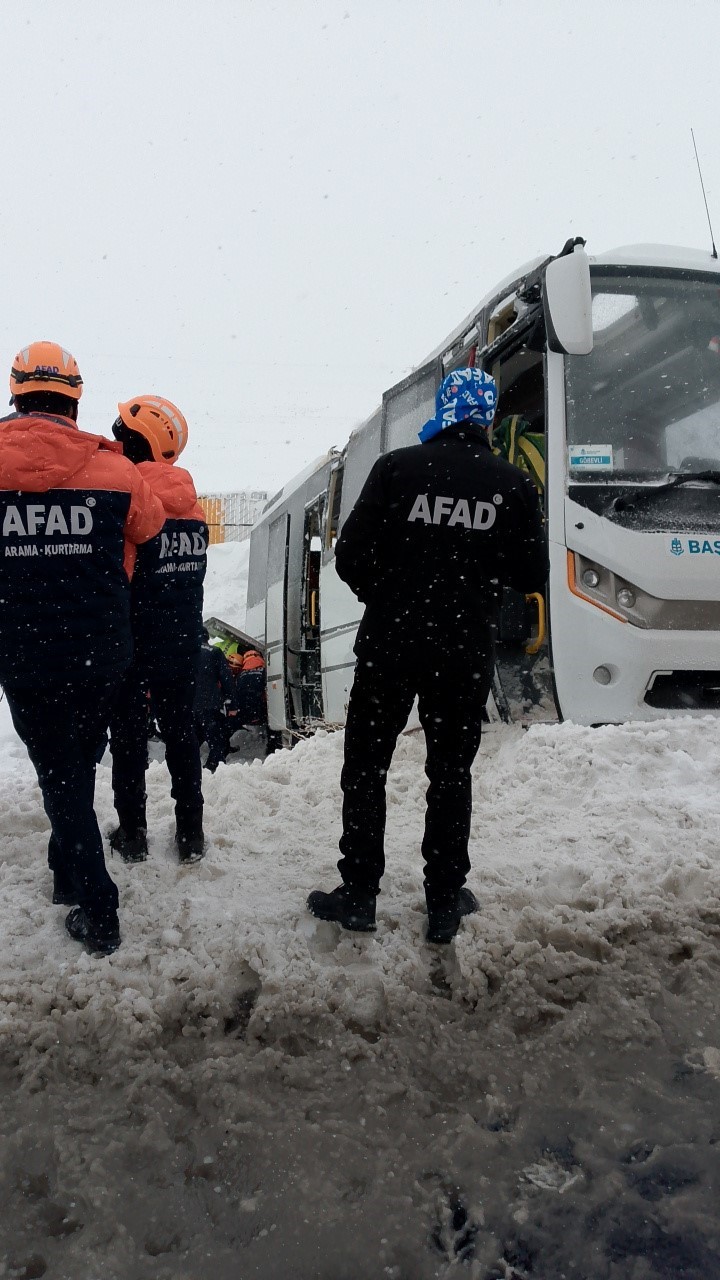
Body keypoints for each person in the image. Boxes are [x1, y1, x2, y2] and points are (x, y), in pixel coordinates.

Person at [307, 367, 550, 944]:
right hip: (461, 652)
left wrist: (390, 596)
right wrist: (477, 579)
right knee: (450, 772)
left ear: (444, 409)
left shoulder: (397, 468)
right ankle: (443, 898)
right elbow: (532, 573)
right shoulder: (511, 484)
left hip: (390, 645)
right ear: (486, 418)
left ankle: (360, 893)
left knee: (366, 768)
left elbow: (351, 555)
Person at [0, 341, 165, 954]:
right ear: (74, 397)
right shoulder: (117, 472)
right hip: (101, 654)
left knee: (58, 773)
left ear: (15, 391)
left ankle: (96, 905)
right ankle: (67, 874)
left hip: (24, 654)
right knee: (69, 769)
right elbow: (147, 530)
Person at [108, 397, 209, 863]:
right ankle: (191, 832)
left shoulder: (130, 500)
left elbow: (122, 575)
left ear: (134, 441)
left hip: (135, 641)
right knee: (181, 734)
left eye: (118, 432)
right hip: (183, 639)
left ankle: (133, 834)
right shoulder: (193, 508)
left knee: (128, 738)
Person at [194, 629, 236, 772]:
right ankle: (213, 769)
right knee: (217, 741)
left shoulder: (184, 653)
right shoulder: (214, 652)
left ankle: (187, 770)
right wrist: (231, 703)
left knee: (190, 740)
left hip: (187, 706)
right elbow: (227, 679)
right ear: (207, 638)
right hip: (209, 705)